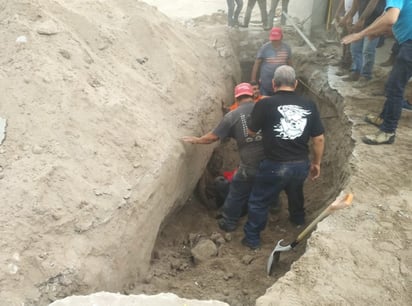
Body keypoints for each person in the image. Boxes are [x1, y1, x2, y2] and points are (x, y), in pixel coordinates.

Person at [242, 66, 325, 249]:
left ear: (273, 84)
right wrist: (316, 163)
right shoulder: (309, 105)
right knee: (295, 192)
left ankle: (252, 239)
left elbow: (250, 131)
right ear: (295, 84)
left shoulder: (264, 104)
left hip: (274, 165)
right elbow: (318, 138)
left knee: (259, 201)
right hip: (300, 164)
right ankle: (298, 220)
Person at [182, 83, 265, 232]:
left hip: (249, 166)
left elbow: (212, 137)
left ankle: (229, 223)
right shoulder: (265, 109)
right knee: (265, 192)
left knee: (236, 193)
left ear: (236, 98)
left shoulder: (232, 115)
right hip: (271, 164)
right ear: (253, 96)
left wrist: (197, 139)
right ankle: (274, 209)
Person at [342, 0, 412, 145]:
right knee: (392, 83)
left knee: (395, 88)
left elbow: (390, 18)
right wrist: (377, 31)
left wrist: (360, 34)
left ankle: (388, 131)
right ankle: (383, 118)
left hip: (409, 44)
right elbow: (389, 16)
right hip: (405, 41)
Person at [340, 0, 386, 87]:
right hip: (362, 20)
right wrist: (350, 16)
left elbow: (373, 3)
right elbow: (356, 2)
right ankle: (356, 71)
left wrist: (361, 19)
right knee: (355, 48)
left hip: (375, 22)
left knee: (368, 50)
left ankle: (366, 76)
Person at [251, 27, 292, 96]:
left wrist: (292, 78)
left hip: (281, 85)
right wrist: (253, 80)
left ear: (281, 37)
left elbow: (290, 63)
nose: (274, 42)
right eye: (273, 40)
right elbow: (257, 63)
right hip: (265, 84)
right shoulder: (265, 48)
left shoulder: (286, 48)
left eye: (276, 40)